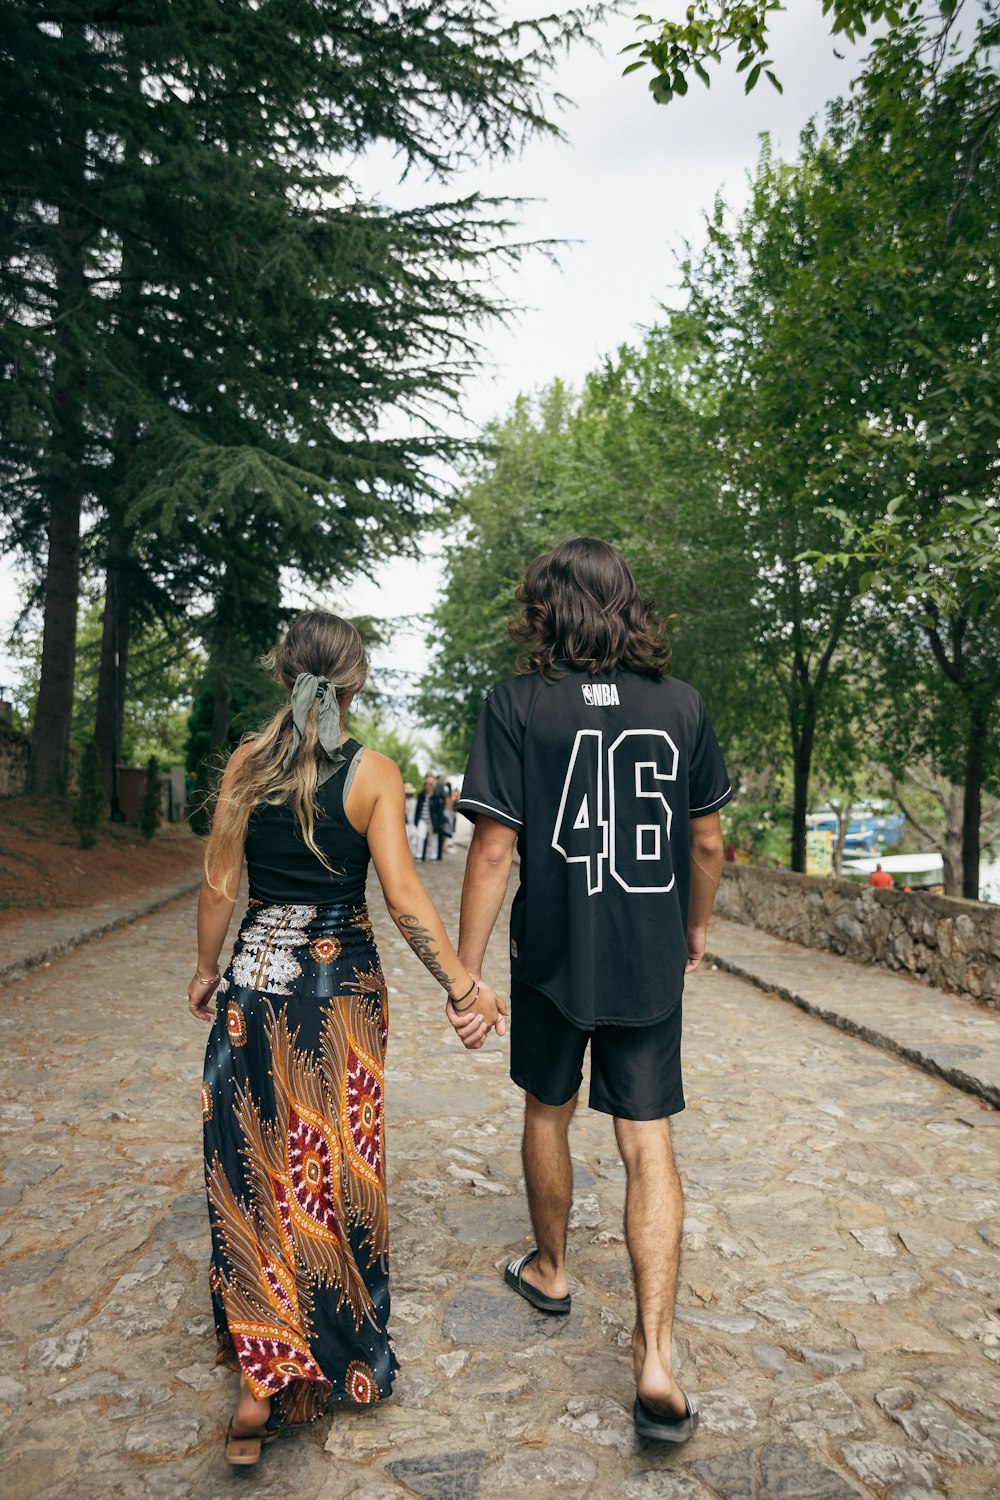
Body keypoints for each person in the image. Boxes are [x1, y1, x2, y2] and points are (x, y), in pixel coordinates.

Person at [187, 610, 502, 1467]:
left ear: (278, 672)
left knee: (252, 1169)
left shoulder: (247, 767)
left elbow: (221, 880)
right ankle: (331, 1355)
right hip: (338, 1002)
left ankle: (260, 1376)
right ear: (355, 680)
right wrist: (464, 985)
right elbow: (402, 897)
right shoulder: (372, 775)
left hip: (254, 990)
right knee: (326, 1169)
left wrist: (206, 970)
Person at [453, 538, 731, 1447]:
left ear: (546, 606)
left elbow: (494, 850)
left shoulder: (515, 705)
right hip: (648, 960)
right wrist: (694, 927)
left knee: (547, 1111)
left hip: (554, 958)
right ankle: (655, 1357)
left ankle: (552, 1268)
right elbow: (707, 844)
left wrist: (466, 970)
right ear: (628, 604)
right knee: (648, 1142)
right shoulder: (682, 706)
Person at [412, 772, 446, 862]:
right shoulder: (421, 795)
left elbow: (440, 811)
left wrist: (439, 822)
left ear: (433, 786)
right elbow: (417, 808)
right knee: (420, 836)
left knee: (433, 838)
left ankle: (433, 856)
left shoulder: (436, 796)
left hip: (433, 821)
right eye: (426, 784)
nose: (427, 786)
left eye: (429, 784)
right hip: (422, 819)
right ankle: (418, 855)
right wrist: (416, 820)